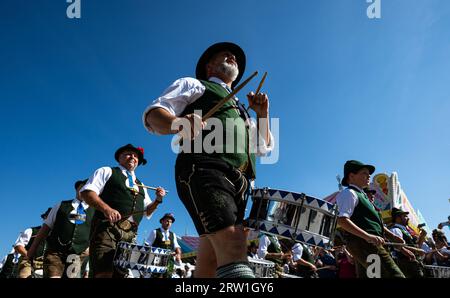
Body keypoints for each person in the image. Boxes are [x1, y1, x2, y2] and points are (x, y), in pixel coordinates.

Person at [143, 42, 274, 278]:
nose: (232, 56)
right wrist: (179, 123)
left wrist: (261, 114)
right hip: (204, 168)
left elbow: (264, 147)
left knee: (211, 258)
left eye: (233, 56)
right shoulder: (195, 85)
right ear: (209, 66)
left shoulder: (242, 111)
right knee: (234, 248)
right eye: (225, 55)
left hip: (243, 183)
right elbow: (154, 115)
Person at [80, 144, 167, 278]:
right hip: (107, 229)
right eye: (128, 153)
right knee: (104, 272)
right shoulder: (107, 171)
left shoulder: (141, 185)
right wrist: (107, 209)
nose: (132, 156)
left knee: (122, 274)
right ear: (119, 157)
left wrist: (158, 200)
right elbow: (87, 192)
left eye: (136, 155)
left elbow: (147, 212)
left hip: (130, 235)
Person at [335, 160, 406, 278]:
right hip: (366, 244)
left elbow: (373, 223)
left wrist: (392, 236)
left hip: (366, 244)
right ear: (351, 176)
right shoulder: (349, 193)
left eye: (369, 173)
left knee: (371, 276)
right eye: (364, 173)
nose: (369, 176)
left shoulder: (361, 195)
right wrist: (368, 237)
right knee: (394, 275)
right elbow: (342, 220)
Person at [27, 179, 94, 278]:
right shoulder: (61, 205)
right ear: (77, 189)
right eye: (82, 187)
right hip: (55, 252)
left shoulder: (94, 211)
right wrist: (32, 249)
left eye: (87, 188)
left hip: (77, 255)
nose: (84, 190)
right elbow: (46, 228)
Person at [13, 208, 51, 278]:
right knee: (25, 276)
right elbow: (18, 246)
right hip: (29, 262)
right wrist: (28, 256)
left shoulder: (57, 235)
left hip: (48, 264)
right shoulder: (31, 231)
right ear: (45, 218)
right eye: (50, 217)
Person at [389, 207, 425, 278]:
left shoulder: (406, 231)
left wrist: (422, 236)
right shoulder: (395, 229)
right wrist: (417, 250)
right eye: (405, 216)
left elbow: (417, 247)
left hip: (414, 264)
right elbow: (397, 246)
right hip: (406, 265)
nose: (407, 218)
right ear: (398, 217)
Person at [145, 213, 182, 277]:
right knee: (155, 276)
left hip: (169, 262)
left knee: (168, 276)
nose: (168, 223)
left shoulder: (173, 235)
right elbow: (147, 245)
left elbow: (177, 247)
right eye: (167, 221)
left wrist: (178, 254)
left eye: (170, 222)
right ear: (162, 221)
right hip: (156, 261)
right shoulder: (155, 232)